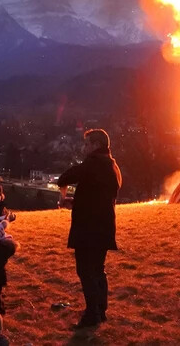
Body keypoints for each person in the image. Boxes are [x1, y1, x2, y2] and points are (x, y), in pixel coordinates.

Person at [57, 129, 122, 329]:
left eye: (86, 144)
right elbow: (98, 196)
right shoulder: (112, 165)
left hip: (88, 229)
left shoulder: (93, 164)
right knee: (98, 269)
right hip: (104, 226)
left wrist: (64, 196)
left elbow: (65, 177)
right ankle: (101, 310)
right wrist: (76, 201)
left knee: (86, 271)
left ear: (95, 144)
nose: (83, 148)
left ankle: (91, 315)